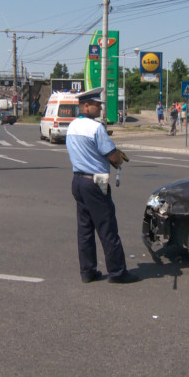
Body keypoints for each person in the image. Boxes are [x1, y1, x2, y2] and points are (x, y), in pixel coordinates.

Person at [66, 87, 139, 284]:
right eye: (97, 105)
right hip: (96, 180)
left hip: (78, 180)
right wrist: (118, 159)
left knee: (85, 229)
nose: (100, 109)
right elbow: (113, 155)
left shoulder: (72, 126)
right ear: (86, 105)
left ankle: (88, 271)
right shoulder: (96, 129)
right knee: (107, 227)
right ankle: (117, 272)